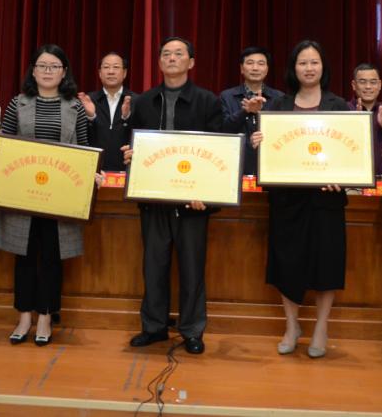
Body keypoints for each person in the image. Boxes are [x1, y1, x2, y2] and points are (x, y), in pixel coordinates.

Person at [0, 44, 91, 347]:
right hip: (24, 194)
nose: (47, 71)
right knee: (25, 256)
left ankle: (45, 316)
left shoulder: (75, 107)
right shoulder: (18, 103)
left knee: (52, 258)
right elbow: (3, 145)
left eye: (54, 66)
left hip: (60, 197)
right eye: (42, 65)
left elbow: (83, 149)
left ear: (64, 72)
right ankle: (24, 317)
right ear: (33, 71)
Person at [123, 36, 223, 355]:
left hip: (194, 201)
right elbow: (134, 145)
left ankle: (192, 331)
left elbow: (218, 152)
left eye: (179, 54)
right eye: (166, 54)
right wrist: (131, 154)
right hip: (154, 199)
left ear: (191, 62)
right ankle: (153, 327)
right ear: (159, 62)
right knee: (154, 266)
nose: (171, 58)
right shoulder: (144, 102)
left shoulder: (208, 101)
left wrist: (206, 194)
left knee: (192, 269)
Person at [249, 40, 348, 358]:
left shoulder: (339, 106)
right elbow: (271, 153)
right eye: (302, 62)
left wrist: (342, 175)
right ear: (294, 69)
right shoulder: (278, 106)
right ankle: (292, 326)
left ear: (323, 67)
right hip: (287, 200)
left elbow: (350, 153)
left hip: (326, 200)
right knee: (287, 263)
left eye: (314, 62)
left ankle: (321, 327)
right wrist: (259, 142)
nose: (308, 68)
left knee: (326, 263)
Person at [220, 46, 283, 178]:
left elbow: (282, 134)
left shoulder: (279, 98)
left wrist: (260, 111)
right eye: (250, 63)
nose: (255, 68)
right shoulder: (227, 96)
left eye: (261, 63)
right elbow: (222, 130)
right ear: (242, 69)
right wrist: (245, 111)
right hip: (235, 165)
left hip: (270, 167)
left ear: (267, 69)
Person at [78, 51, 136, 172]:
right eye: (106, 67)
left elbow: (140, 136)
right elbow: (80, 138)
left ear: (124, 73)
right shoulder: (88, 100)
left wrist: (126, 118)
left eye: (116, 67)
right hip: (93, 170)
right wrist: (91, 117)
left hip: (127, 170)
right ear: (100, 73)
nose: (111, 71)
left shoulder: (136, 100)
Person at [347, 62, 382, 177]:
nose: (368, 86)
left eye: (373, 82)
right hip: (353, 178)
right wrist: (355, 125)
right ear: (354, 85)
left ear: (380, 85)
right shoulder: (344, 110)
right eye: (362, 82)